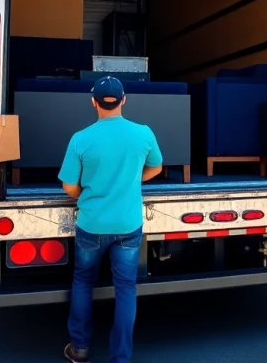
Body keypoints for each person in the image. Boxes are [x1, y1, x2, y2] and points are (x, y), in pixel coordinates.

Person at [58, 76, 164, 363]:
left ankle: (79, 348)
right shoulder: (143, 133)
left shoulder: (80, 139)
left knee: (83, 281)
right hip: (128, 225)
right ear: (123, 100)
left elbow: (69, 186)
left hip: (91, 224)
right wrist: (131, 180)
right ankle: (120, 357)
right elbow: (156, 167)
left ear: (94, 102)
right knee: (126, 288)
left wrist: (86, 193)